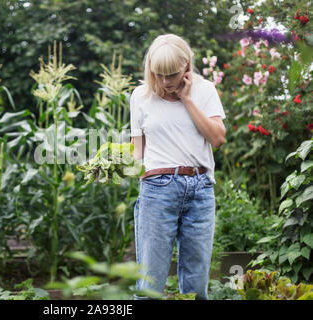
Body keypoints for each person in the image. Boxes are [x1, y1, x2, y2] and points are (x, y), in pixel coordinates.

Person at [130, 34, 226, 300]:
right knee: (150, 280)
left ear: (186, 66)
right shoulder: (140, 96)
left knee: (197, 282)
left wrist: (187, 99)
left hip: (200, 189)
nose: (165, 82)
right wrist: (115, 165)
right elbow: (137, 150)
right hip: (157, 190)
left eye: (171, 74)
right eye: (158, 74)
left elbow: (217, 138)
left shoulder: (204, 91)